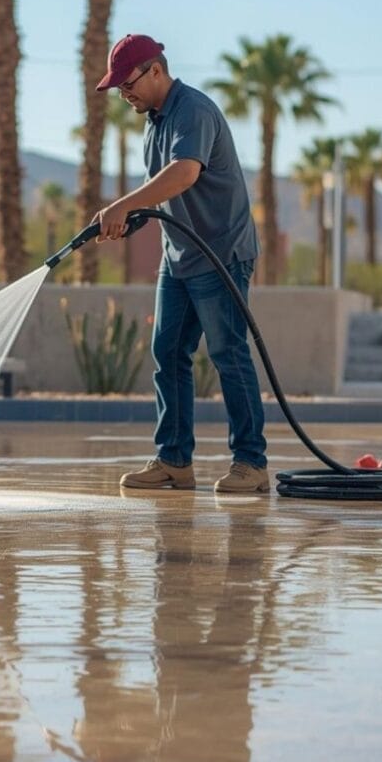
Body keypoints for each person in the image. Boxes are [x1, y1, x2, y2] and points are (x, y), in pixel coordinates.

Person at [93, 33, 268, 494]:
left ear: (155, 70)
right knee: (167, 352)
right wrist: (130, 217)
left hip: (220, 252)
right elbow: (166, 191)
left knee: (228, 354)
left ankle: (251, 463)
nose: (124, 93)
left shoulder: (193, 110)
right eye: (118, 88)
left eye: (128, 83)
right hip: (180, 256)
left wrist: (124, 204)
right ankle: (174, 461)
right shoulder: (154, 121)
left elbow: (185, 172)